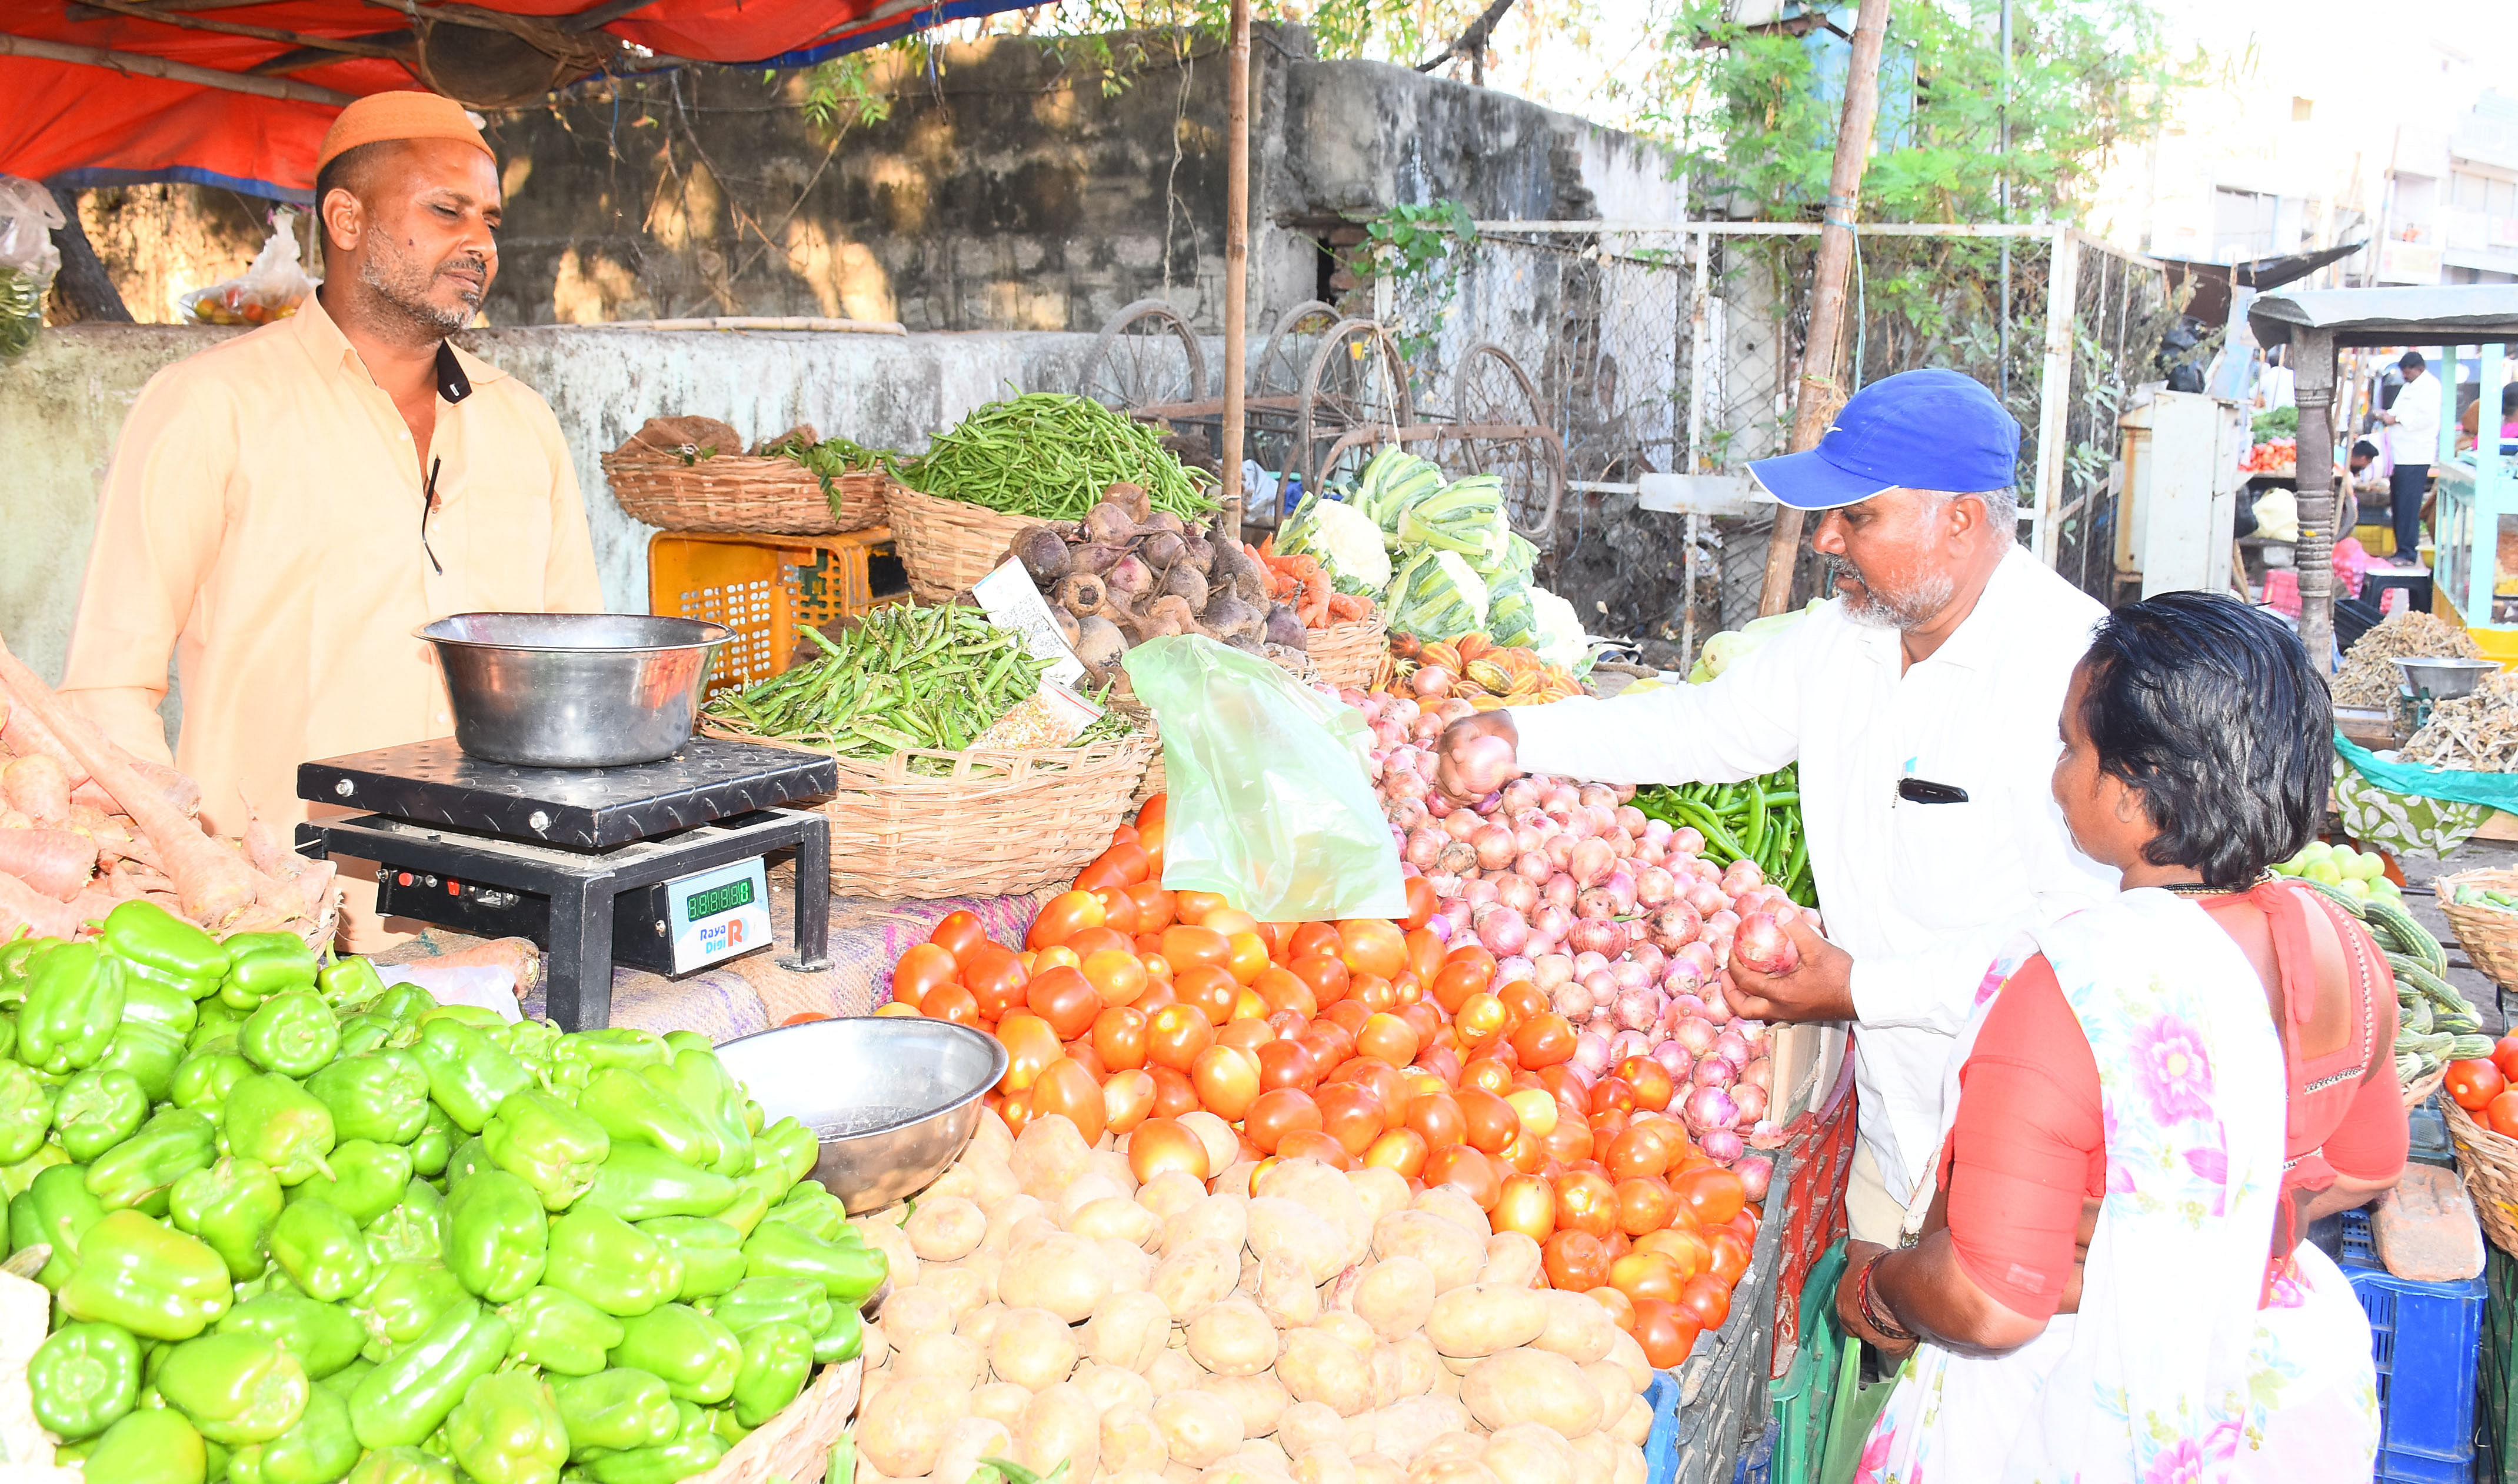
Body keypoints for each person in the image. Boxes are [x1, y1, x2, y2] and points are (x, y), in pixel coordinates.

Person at [1431, 368, 2115, 1245]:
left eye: (1858, 516)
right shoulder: (1848, 637)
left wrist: (1858, 985)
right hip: (1896, 1112)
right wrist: (1522, 735)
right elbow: (1709, 727)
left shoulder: (2076, 675)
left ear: (1960, 518)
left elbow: (2082, 941)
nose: (1826, 538)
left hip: (2031, 1138)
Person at [1831, 592, 2395, 1481]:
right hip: (2267, 1402)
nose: (2057, 774)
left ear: (2137, 791)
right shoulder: (2346, 950)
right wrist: (2187, 1234)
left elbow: (1989, 1301)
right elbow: (2366, 1165)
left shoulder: (2074, 990)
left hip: (2081, 1410)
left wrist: (1878, 1286)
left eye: (2071, 746)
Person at [60, 92, 602, 948]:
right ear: (346, 219)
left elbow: (578, 675)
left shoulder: (522, 423)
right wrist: (202, 877)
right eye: (445, 210)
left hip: (502, 926)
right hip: (279, 934)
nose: (481, 245)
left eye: (490, 219)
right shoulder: (209, 408)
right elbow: (107, 692)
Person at [2377, 350, 2441, 601]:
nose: (2405, 376)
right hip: (2401, 454)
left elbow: (2425, 419)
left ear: (2417, 368)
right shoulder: (2412, 385)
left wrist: (2396, 418)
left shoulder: (2430, 387)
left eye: (2407, 372)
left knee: (2408, 503)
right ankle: (2402, 549)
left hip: (2415, 455)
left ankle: (2407, 552)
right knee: (2399, 504)